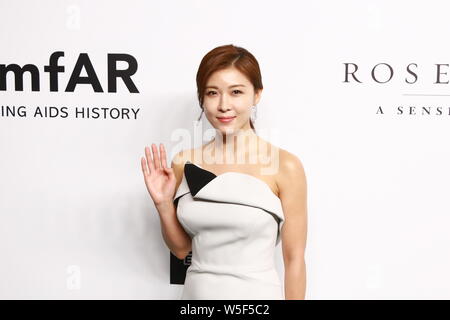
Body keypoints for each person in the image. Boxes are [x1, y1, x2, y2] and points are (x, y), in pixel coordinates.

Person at [140, 44, 307, 299]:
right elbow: (182, 250)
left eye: (236, 92)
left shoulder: (285, 166)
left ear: (257, 94)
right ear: (202, 98)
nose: (223, 105)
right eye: (212, 93)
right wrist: (163, 205)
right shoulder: (184, 162)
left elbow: (294, 260)